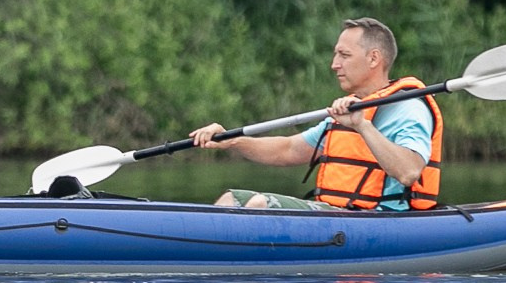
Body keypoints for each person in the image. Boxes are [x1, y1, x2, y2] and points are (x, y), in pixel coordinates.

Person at [188, 17, 444, 210]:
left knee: (259, 205)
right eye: (335, 55)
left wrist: (363, 127)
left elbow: (410, 172)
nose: (334, 64)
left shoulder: (409, 107)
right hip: (337, 216)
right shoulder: (349, 108)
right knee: (231, 199)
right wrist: (232, 140)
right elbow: (288, 149)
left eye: (344, 55)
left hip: (381, 220)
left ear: (374, 58)